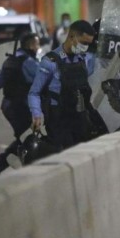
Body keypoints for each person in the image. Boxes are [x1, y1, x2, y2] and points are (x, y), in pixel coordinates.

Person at [29, 20, 98, 150]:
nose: (86, 47)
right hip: (59, 119)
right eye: (83, 43)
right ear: (71, 37)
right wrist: (37, 114)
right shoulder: (50, 62)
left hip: (80, 117)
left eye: (88, 44)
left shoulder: (85, 60)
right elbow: (35, 92)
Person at [0, 33, 40, 178]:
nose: (38, 47)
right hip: (22, 106)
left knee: (26, 138)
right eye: (36, 44)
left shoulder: (10, 60)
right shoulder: (29, 62)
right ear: (30, 45)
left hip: (8, 106)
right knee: (28, 138)